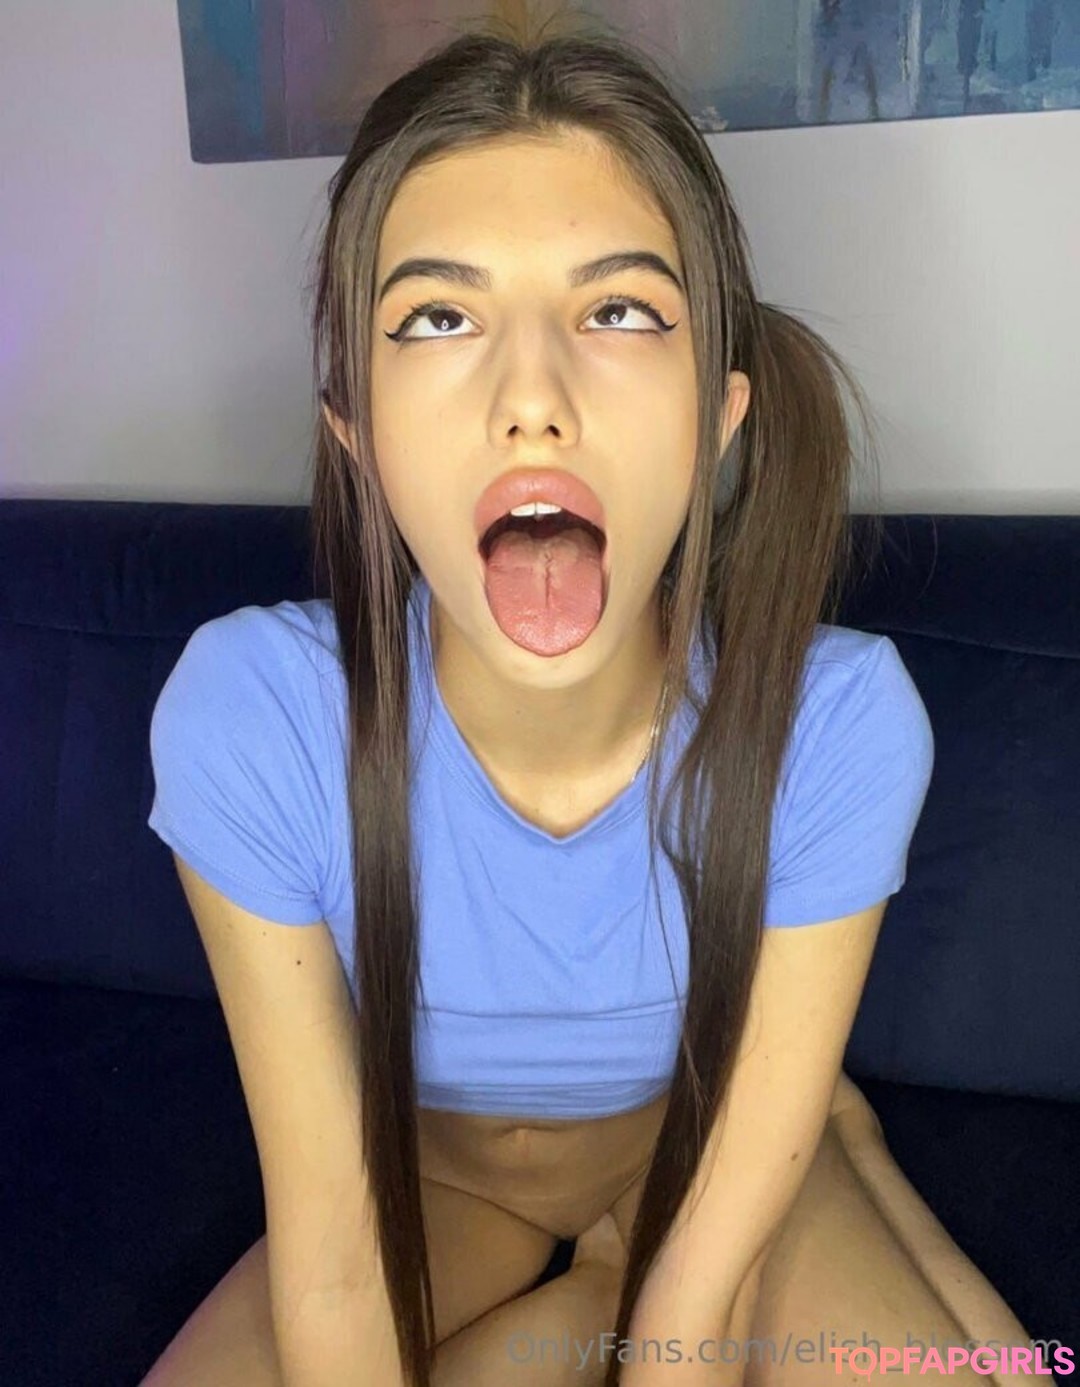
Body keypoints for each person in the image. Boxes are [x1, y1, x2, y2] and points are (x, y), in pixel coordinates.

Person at [142, 12, 1034, 1387]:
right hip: (431, 1175)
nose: (532, 398)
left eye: (618, 310)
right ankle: (592, 1288)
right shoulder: (252, 718)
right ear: (358, 438)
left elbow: (699, 1309)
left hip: (713, 1153)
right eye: (439, 316)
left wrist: (656, 1331)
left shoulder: (837, 725)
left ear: (717, 416)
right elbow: (332, 1259)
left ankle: (717, 1222)